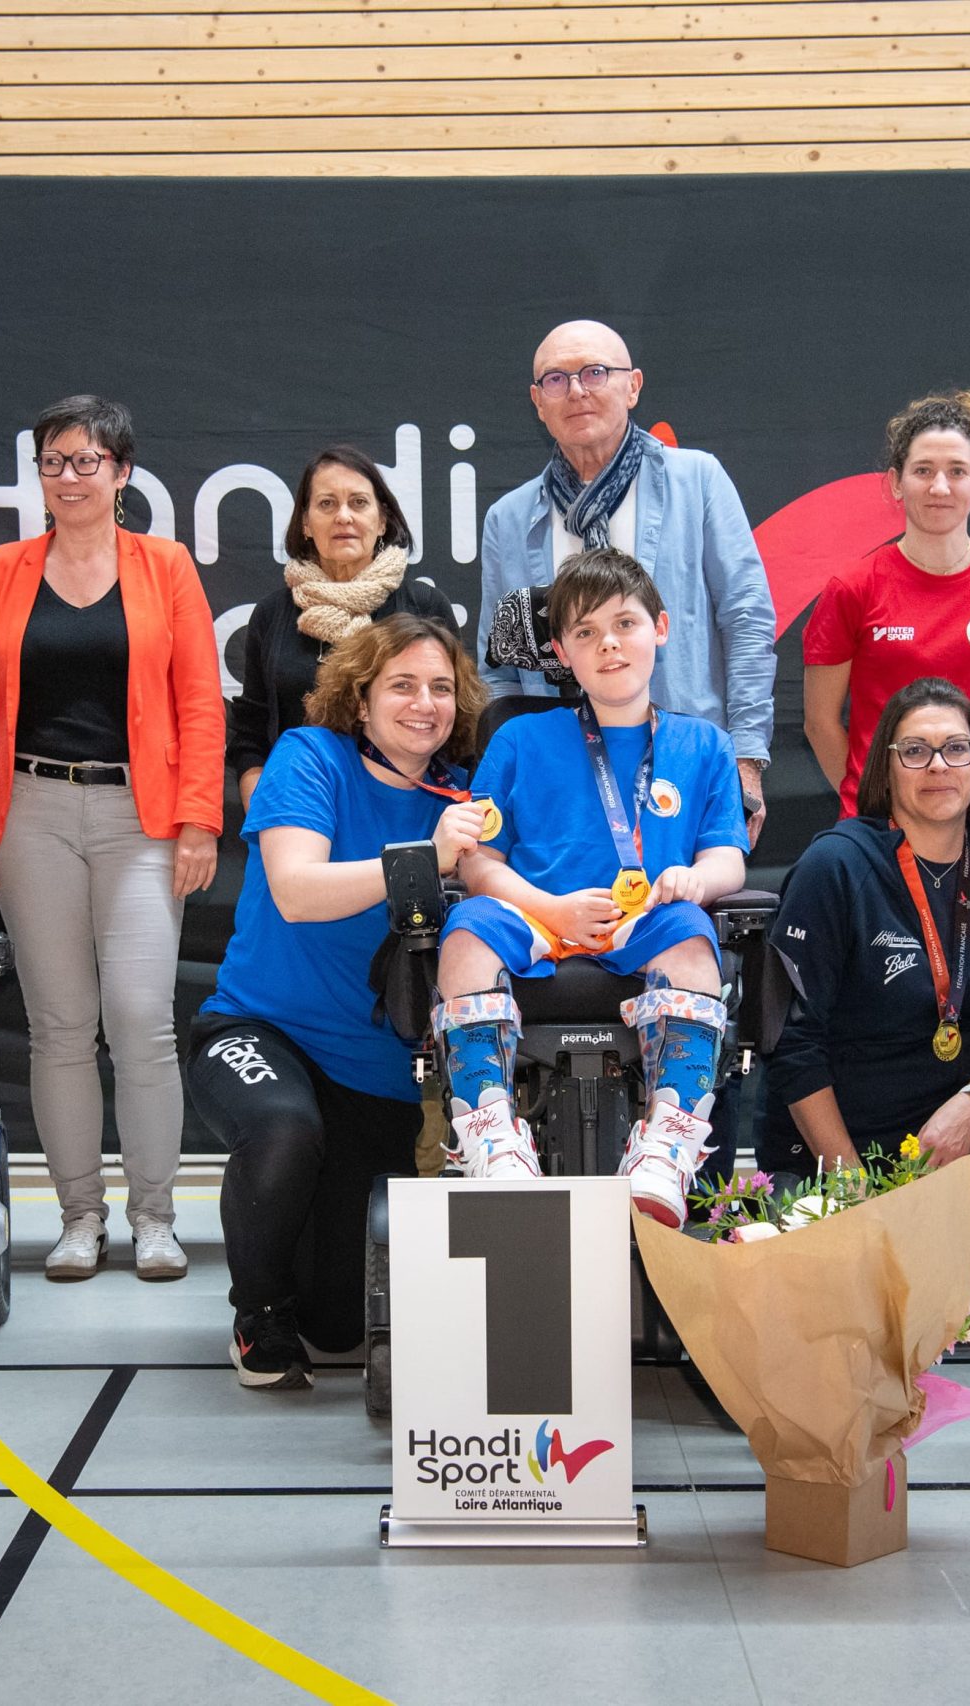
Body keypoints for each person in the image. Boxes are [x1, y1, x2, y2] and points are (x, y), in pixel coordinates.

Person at [0, 394, 225, 1283]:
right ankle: (80, 1218)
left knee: (142, 1021)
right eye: (53, 461)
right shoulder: (1, 568)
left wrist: (198, 820)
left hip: (138, 818)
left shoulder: (165, 566)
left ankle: (154, 1217)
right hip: (29, 810)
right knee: (60, 1026)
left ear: (122, 473)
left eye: (87, 460)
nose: (69, 477)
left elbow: (196, 704)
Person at [191, 616, 491, 1389]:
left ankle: (299, 1292)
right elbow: (296, 891)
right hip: (261, 1030)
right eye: (402, 685)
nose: (424, 703)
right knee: (285, 1131)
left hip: (379, 1074)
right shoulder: (309, 757)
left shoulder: (463, 799)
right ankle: (258, 1319)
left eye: (440, 688)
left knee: (342, 1323)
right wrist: (428, 858)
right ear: (360, 701)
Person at [438, 548, 749, 1227]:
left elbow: (730, 854)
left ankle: (666, 1145)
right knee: (464, 930)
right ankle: (493, 1134)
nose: (608, 644)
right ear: (560, 651)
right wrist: (547, 905)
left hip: (645, 922)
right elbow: (476, 861)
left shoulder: (705, 745)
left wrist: (696, 878)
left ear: (660, 628)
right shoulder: (521, 738)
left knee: (694, 935)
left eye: (625, 624)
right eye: (585, 632)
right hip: (537, 914)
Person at [764, 679, 970, 1259]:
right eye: (915, 750)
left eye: (956, 748)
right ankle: (876, 1231)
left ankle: (945, 1231)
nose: (938, 766)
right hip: (842, 1141)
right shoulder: (835, 865)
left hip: (952, 1134)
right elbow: (793, 1044)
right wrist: (849, 1186)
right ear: (885, 769)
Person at [476, 319, 778, 840]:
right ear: (537, 401)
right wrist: (513, 772)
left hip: (683, 768)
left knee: (681, 910)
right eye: (555, 379)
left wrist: (747, 759)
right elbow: (497, 668)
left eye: (594, 372)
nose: (575, 391)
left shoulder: (697, 481)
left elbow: (747, 620)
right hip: (560, 784)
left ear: (632, 386)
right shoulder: (508, 519)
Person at [803, 390, 970, 838]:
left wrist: (966, 794)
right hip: (882, 828)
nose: (940, 487)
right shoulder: (852, 589)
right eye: (923, 471)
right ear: (897, 482)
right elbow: (820, 723)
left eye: (957, 471)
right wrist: (882, 792)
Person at [227, 445, 456, 807]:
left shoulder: (425, 608)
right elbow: (250, 730)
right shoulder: (272, 614)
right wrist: (260, 798)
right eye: (327, 504)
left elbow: (456, 726)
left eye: (359, 503)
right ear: (305, 523)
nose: (343, 517)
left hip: (405, 807)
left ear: (382, 520)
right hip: (297, 808)